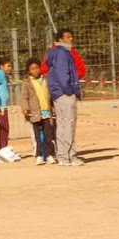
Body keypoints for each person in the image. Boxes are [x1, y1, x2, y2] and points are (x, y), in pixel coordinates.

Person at [47, 28, 83, 167]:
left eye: (71, 36)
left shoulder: (55, 53)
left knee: (62, 125)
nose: (71, 39)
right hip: (64, 94)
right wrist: (70, 91)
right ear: (60, 39)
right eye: (68, 37)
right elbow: (64, 75)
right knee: (69, 126)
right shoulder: (63, 54)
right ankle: (69, 156)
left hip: (58, 93)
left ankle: (63, 155)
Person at [20, 59, 56, 165]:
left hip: (47, 113)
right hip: (35, 114)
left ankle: (50, 155)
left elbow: (51, 95)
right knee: (37, 137)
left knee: (48, 135)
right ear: (28, 71)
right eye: (32, 69)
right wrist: (25, 108)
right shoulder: (27, 83)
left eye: (37, 68)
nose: (35, 70)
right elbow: (24, 98)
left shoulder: (46, 79)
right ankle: (39, 155)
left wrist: (53, 108)